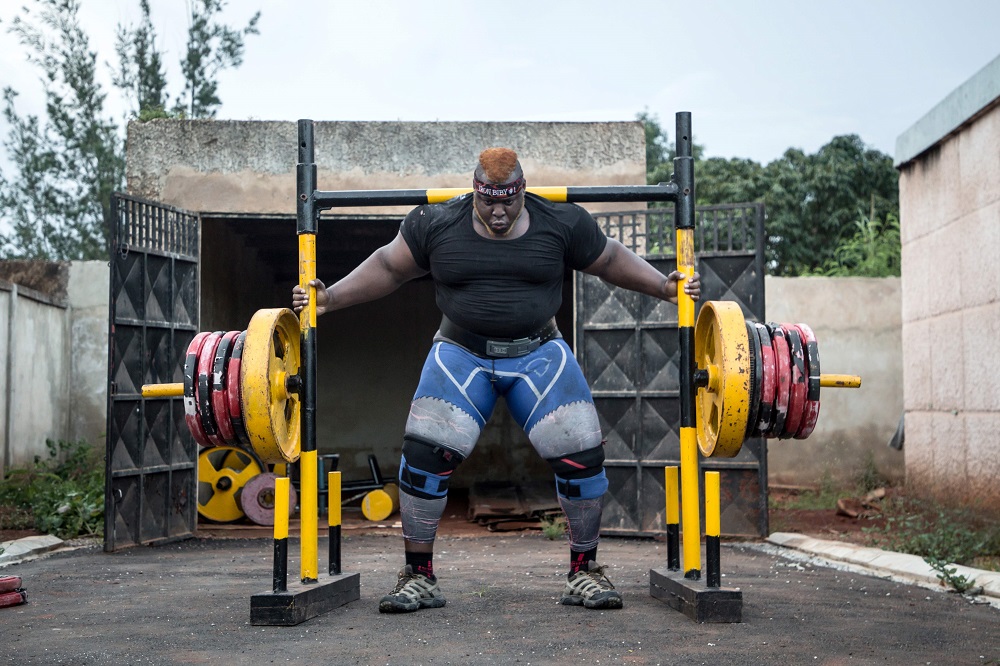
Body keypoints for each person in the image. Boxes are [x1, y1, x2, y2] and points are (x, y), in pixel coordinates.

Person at [292, 147, 701, 613]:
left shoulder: (562, 221)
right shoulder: (435, 222)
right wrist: (329, 300)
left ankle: (584, 573)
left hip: (540, 354)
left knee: (583, 460)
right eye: (489, 201)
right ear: (475, 191)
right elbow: (389, 267)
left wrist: (666, 288)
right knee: (423, 460)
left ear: (523, 190)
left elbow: (608, 259)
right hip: (460, 354)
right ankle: (419, 578)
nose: (499, 211)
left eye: (509, 200)